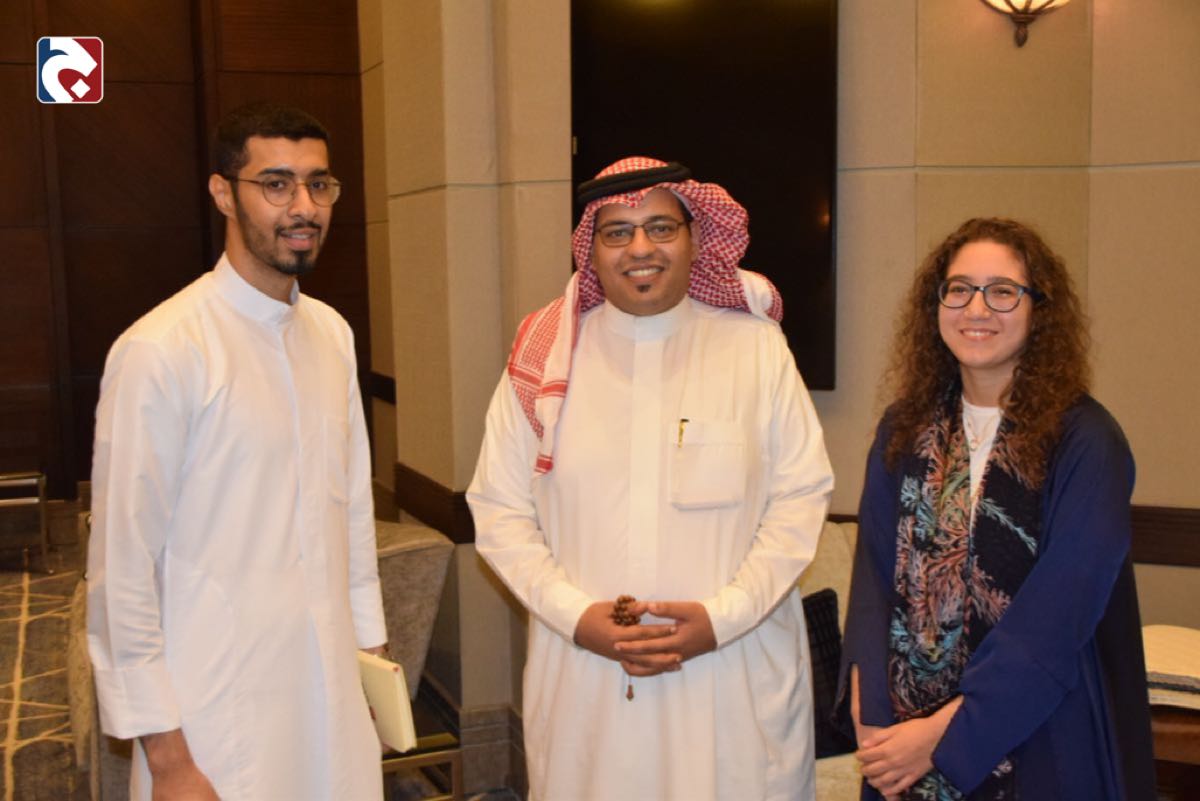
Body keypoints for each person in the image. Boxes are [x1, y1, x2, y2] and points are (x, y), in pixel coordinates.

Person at [467, 156, 834, 800]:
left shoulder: (755, 350)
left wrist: (722, 619)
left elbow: (800, 498)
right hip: (589, 681)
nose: (640, 248)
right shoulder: (545, 361)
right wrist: (576, 617)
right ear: (591, 250)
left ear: (695, 239)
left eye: (661, 227)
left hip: (730, 676)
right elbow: (499, 509)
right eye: (617, 232)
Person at [87, 103, 387, 801]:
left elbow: (352, 514)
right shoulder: (162, 349)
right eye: (276, 184)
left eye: (319, 184)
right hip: (216, 712)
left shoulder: (332, 334)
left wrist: (370, 656)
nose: (303, 207)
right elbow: (122, 570)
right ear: (224, 193)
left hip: (332, 692)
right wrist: (167, 759)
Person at [840, 218, 1156, 800]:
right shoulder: (904, 427)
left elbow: (1055, 622)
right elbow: (872, 582)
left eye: (1002, 291)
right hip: (903, 747)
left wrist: (942, 736)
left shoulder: (1087, 442)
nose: (977, 309)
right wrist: (874, 718)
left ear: (1039, 309)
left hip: (1040, 733)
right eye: (959, 289)